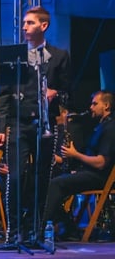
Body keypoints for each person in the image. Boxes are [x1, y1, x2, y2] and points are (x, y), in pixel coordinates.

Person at [0, 6, 72, 239]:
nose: (24, 27)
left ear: (43, 26)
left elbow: (69, 91)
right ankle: (14, 232)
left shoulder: (59, 56)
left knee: (41, 177)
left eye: (30, 23)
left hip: (45, 122)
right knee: (16, 176)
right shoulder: (12, 55)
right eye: (24, 23)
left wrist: (56, 93)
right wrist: (0, 127)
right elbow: (3, 95)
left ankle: (35, 230)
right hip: (18, 122)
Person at [42, 90, 115, 241]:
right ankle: (67, 227)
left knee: (56, 184)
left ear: (106, 106)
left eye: (95, 104)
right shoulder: (100, 126)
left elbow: (101, 162)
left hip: (99, 177)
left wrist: (75, 155)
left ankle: (41, 230)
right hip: (89, 173)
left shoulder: (111, 128)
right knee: (48, 184)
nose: (91, 107)